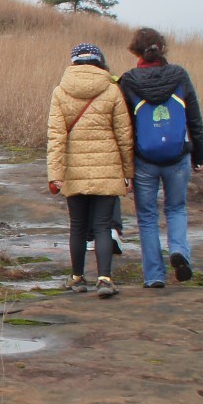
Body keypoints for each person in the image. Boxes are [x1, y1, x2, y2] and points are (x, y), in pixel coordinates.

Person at [118, 27, 203, 289]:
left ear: (135, 50)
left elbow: (124, 126)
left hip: (144, 158)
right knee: (176, 208)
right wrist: (199, 156)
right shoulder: (179, 75)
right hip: (177, 156)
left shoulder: (129, 80)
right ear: (162, 48)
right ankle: (179, 251)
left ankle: (154, 275)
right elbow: (195, 119)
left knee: (147, 216)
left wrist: (126, 165)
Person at [46, 42, 134, 298]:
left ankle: (77, 278)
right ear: (100, 62)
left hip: (73, 170)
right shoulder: (112, 90)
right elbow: (124, 136)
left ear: (73, 62)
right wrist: (128, 172)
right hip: (107, 168)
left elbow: (55, 137)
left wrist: (55, 174)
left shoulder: (60, 92)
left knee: (77, 225)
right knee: (103, 225)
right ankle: (105, 279)